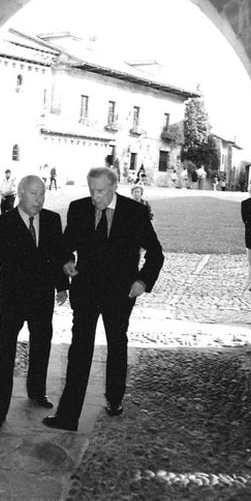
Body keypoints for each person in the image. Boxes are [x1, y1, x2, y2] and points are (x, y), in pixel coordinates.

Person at [42, 167, 164, 432]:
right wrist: (67, 261)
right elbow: (64, 246)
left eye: (100, 191)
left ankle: (115, 398)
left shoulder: (135, 212)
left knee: (117, 345)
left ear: (113, 187)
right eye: (91, 190)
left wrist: (142, 281)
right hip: (86, 291)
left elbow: (156, 253)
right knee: (79, 350)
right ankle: (68, 415)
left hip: (120, 294)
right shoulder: (78, 209)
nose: (94, 197)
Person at [0, 175, 69, 429]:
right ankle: (0, 407)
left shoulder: (51, 220)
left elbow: (57, 254)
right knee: (6, 351)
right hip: (13, 299)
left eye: (42, 194)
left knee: (41, 345)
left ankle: (37, 391)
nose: (39, 199)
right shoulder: (2, 224)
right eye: (34, 194)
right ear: (21, 193)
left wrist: (62, 286)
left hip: (42, 298)